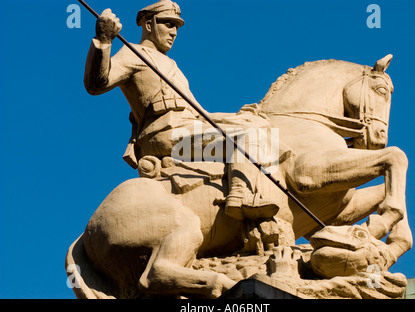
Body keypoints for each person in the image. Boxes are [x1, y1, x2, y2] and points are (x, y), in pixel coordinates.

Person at [84, 0, 279, 220]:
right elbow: (96, 84)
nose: (174, 32)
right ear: (148, 25)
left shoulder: (173, 66)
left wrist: (237, 117)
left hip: (186, 128)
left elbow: (198, 113)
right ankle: (241, 195)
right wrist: (103, 39)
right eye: (168, 24)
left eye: (176, 27)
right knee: (246, 137)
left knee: (258, 126)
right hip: (164, 136)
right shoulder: (133, 53)